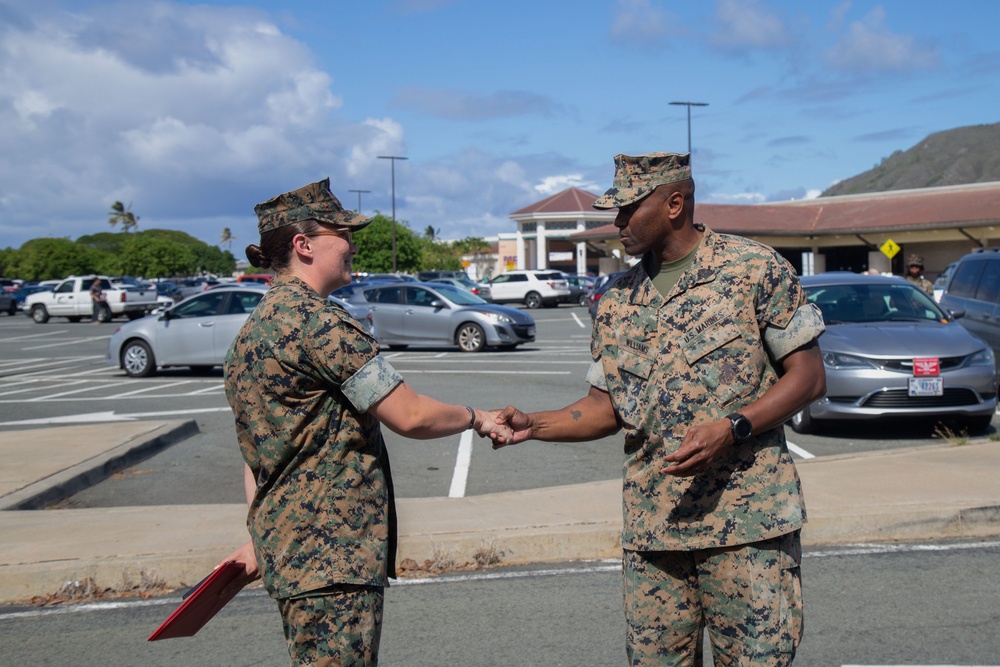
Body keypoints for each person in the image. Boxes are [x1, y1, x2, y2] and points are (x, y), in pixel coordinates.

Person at [493, 152, 827, 666]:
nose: (618, 223)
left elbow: (807, 379)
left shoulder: (754, 270)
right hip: (655, 533)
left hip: (748, 528)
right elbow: (605, 408)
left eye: (628, 210)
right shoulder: (616, 302)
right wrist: (532, 425)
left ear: (675, 203)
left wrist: (733, 428)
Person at [218, 178, 511, 666]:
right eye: (343, 234)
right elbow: (411, 415)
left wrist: (260, 535)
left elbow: (258, 459)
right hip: (335, 557)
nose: (353, 245)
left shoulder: (250, 334)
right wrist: (477, 417)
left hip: (292, 555)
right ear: (303, 245)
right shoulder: (320, 324)